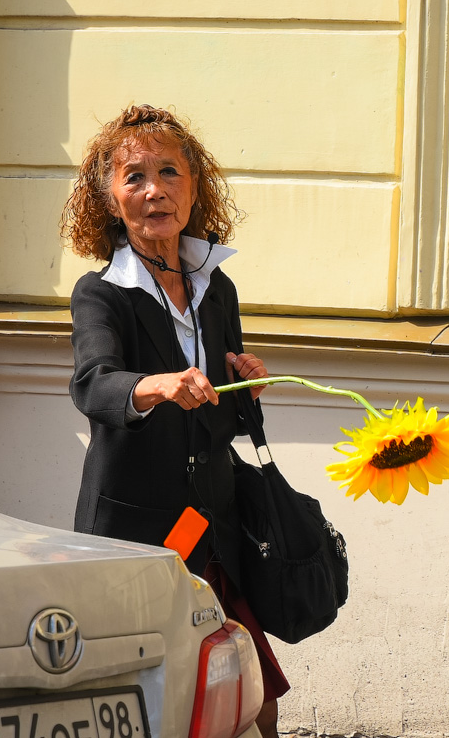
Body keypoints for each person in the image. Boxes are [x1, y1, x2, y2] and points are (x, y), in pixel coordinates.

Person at [61, 104, 288, 738]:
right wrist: (153, 386)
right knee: (143, 701)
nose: (154, 190)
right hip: (136, 531)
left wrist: (244, 383)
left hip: (212, 523)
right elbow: (92, 385)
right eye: (133, 176)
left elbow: (220, 413)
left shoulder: (218, 287)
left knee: (253, 699)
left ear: (195, 187)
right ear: (108, 198)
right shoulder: (101, 292)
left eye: (170, 172)